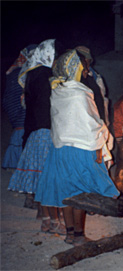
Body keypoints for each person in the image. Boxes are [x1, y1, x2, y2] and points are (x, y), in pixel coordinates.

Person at [34, 49, 119, 246]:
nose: (84, 70)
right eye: (81, 67)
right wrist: (101, 144)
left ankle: (70, 233)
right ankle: (79, 236)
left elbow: (60, 122)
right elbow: (92, 123)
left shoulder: (57, 91)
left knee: (67, 192)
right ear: (75, 69)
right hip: (82, 149)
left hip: (61, 149)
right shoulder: (81, 93)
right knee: (80, 192)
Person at [8, 39, 67, 234]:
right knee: (52, 177)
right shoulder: (47, 76)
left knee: (42, 178)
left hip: (36, 132)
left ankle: (46, 217)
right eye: (55, 54)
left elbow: (31, 109)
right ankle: (57, 220)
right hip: (48, 132)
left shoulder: (31, 74)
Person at [2, 44, 37, 171]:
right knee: (21, 130)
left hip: (14, 105)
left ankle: (15, 162)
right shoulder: (23, 72)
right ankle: (16, 163)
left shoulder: (16, 71)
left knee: (20, 130)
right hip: (18, 105)